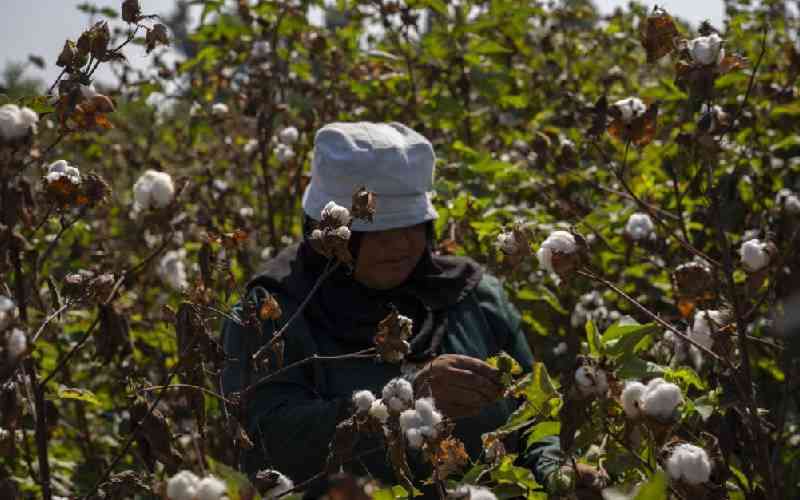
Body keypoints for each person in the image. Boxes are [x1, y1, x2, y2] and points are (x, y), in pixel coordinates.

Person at [221, 122, 574, 497]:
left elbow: (537, 417)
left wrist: (559, 474)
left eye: (412, 224)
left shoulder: (473, 299)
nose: (400, 243)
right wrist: (406, 400)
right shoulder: (271, 314)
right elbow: (267, 445)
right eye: (377, 229)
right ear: (329, 234)